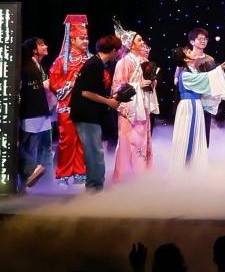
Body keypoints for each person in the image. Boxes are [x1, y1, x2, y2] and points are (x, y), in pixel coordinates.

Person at [69, 34, 122, 191]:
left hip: (90, 114)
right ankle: (94, 188)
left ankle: (96, 186)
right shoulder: (94, 65)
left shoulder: (97, 63)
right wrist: (109, 102)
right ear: (114, 50)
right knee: (94, 152)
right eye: (118, 50)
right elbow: (86, 92)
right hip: (86, 114)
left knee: (95, 151)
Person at [111, 22, 160, 182]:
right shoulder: (124, 62)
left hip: (142, 106)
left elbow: (148, 82)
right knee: (128, 141)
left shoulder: (144, 60)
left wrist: (151, 83)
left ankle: (142, 176)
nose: (142, 42)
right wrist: (139, 84)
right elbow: (118, 87)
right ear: (130, 45)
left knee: (143, 141)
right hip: (130, 108)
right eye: (139, 40)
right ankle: (125, 177)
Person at [169, 46, 225, 168]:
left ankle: (194, 166)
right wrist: (218, 70)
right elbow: (204, 78)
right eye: (189, 52)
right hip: (188, 106)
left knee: (197, 134)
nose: (192, 52)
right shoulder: (185, 74)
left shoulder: (194, 71)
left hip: (196, 105)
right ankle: (184, 167)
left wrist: (218, 71)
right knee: (187, 135)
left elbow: (204, 78)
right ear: (185, 59)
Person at [48, 14, 89, 185]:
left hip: (85, 106)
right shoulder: (61, 61)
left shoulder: (89, 60)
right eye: (82, 38)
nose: (85, 41)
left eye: (86, 38)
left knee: (82, 140)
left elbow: (103, 79)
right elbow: (54, 82)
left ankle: (80, 171)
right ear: (72, 40)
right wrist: (71, 84)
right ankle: (63, 174)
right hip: (67, 106)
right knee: (67, 141)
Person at [19, 37, 53, 189]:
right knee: (26, 147)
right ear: (34, 50)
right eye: (41, 44)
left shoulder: (36, 66)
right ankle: (30, 172)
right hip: (32, 113)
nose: (46, 46)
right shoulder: (27, 67)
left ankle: (29, 178)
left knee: (35, 147)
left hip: (40, 113)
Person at [174, 27, 218, 146]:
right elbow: (177, 79)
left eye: (205, 39)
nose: (203, 41)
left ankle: (201, 155)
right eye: (200, 39)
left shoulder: (209, 59)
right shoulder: (185, 58)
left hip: (206, 100)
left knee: (204, 132)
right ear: (192, 41)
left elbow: (213, 80)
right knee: (188, 132)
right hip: (189, 100)